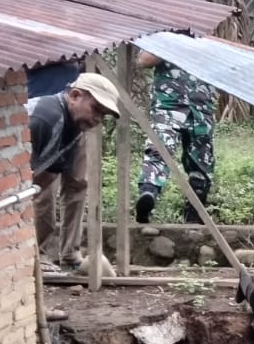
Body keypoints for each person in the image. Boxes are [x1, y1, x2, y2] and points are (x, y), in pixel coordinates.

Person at [27, 72, 120, 264]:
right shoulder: (45, 118)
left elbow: (50, 172)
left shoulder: (75, 124)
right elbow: (24, 174)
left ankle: (59, 256)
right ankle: (33, 256)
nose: (97, 119)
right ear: (75, 96)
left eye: (103, 115)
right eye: (96, 109)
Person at [134, 53, 215, 222]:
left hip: (201, 105)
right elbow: (143, 60)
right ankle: (148, 196)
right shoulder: (166, 34)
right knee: (160, 147)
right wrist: (174, 43)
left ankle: (194, 215)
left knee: (202, 161)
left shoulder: (206, 36)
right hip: (169, 103)